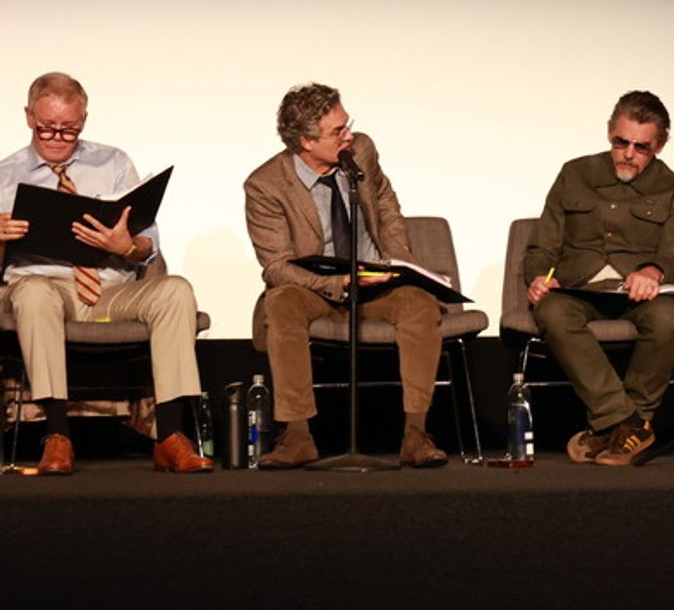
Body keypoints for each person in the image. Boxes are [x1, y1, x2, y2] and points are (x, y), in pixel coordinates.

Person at [0, 72, 211, 475]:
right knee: (34, 293)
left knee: (176, 291)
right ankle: (57, 438)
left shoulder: (113, 162)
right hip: (43, 288)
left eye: (70, 130)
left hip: (109, 286)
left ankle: (169, 437)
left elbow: (148, 241)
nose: (59, 137)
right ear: (28, 117)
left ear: (84, 120)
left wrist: (126, 247)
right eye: (48, 128)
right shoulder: (5, 174)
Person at [244, 82, 447, 468]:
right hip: (315, 289)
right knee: (281, 302)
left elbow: (384, 200)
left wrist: (398, 259)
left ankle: (416, 435)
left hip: (377, 282)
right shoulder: (265, 185)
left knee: (419, 304)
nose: (348, 135)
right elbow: (276, 266)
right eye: (338, 132)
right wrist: (333, 284)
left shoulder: (361, 151)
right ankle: (298, 435)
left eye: (347, 124)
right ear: (306, 141)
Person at [525, 90, 674, 466]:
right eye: (621, 142)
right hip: (579, 287)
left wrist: (654, 270)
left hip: (640, 292)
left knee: (668, 318)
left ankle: (606, 431)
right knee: (551, 311)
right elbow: (543, 244)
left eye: (641, 147)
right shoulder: (574, 173)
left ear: (660, 145)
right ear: (609, 134)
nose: (629, 153)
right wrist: (539, 276)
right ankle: (629, 423)